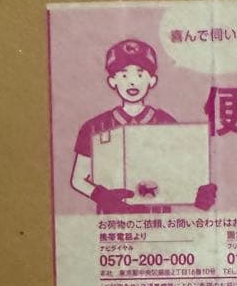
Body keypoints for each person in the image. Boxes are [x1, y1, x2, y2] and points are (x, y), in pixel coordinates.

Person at [70, 38, 216, 214]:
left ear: (152, 80)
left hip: (157, 219)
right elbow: (78, 179)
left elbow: (180, 170)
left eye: (140, 74)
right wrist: (102, 196)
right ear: (112, 81)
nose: (132, 82)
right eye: (124, 75)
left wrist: (198, 194)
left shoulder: (166, 122)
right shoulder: (94, 126)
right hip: (112, 222)